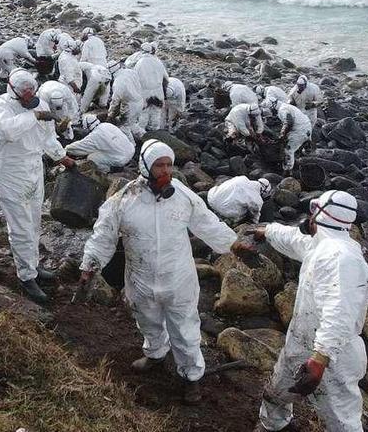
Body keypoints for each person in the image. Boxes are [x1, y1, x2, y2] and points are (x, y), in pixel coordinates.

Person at [79, 139, 237, 404]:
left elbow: (209, 224)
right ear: (144, 167)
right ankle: (155, 354)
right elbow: (103, 236)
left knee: (186, 331)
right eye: (159, 166)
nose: (165, 171)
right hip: (140, 280)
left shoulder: (184, 197)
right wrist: (90, 265)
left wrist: (234, 244)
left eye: (169, 165)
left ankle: (191, 377)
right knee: (148, 322)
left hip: (179, 280)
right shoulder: (124, 200)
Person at [241, 190, 368, 432]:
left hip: (333, 357)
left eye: (313, 211)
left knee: (342, 421)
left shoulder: (341, 258)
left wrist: (319, 360)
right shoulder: (321, 244)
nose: (308, 217)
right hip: (301, 345)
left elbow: (339, 314)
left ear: (320, 214)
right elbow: (293, 239)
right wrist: (266, 231)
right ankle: (274, 426)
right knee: (277, 393)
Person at [0, 69, 74, 303]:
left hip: (34, 168)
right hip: (11, 170)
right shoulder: (1, 105)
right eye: (24, 90)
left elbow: (48, 137)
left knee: (35, 222)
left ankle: (34, 266)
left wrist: (62, 157)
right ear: (13, 89)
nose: (29, 94)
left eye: (32, 89)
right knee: (21, 227)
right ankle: (26, 277)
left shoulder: (40, 104)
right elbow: (8, 130)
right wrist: (34, 116)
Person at [65, 114, 134, 172]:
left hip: (121, 159)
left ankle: (113, 169)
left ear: (88, 126)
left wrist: (66, 149)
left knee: (92, 158)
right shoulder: (107, 125)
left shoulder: (95, 136)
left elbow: (80, 147)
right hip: (131, 150)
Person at [134, 43, 169, 132]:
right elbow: (166, 78)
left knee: (144, 113)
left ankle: (142, 132)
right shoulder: (158, 61)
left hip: (145, 92)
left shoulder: (139, 63)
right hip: (158, 91)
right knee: (156, 112)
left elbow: (135, 79)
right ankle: (154, 131)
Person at [207, 176, 271, 224]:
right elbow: (256, 218)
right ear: (264, 191)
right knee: (249, 210)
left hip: (211, 198)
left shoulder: (242, 178)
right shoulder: (257, 199)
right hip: (225, 211)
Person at [273, 101, 312, 175]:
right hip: (307, 126)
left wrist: (282, 135)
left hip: (300, 131)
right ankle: (306, 158)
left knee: (288, 150)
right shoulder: (286, 106)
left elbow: (289, 122)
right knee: (305, 145)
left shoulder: (282, 110)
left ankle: (288, 171)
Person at [108, 66, 145, 143]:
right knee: (132, 123)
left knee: (124, 127)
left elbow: (115, 101)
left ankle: (132, 145)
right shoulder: (130, 72)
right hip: (140, 100)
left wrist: (110, 115)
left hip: (130, 106)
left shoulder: (118, 82)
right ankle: (144, 137)